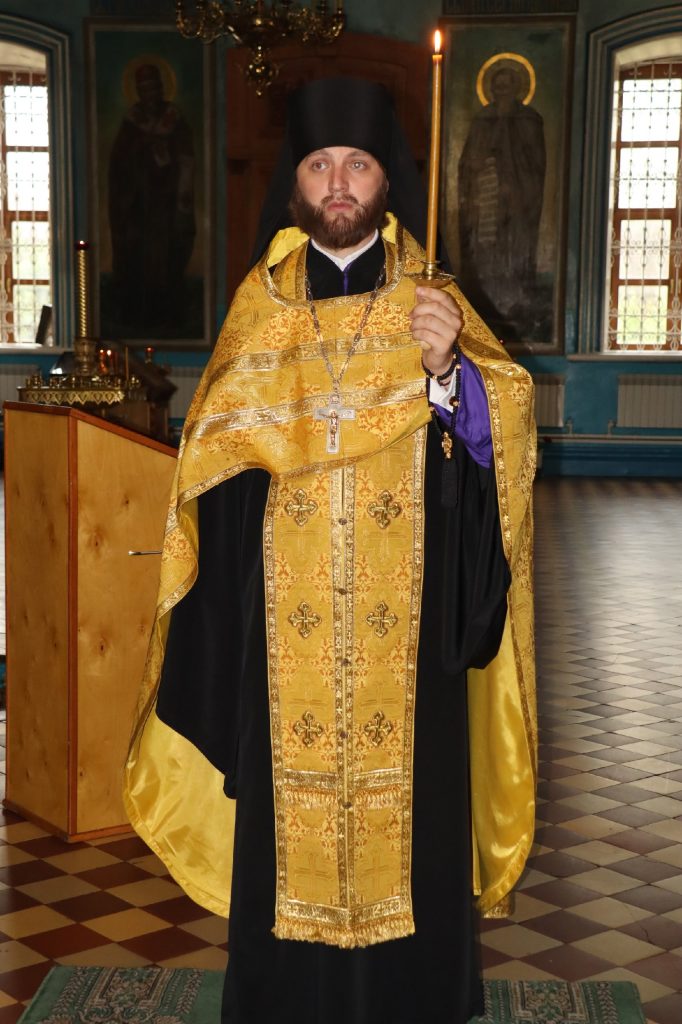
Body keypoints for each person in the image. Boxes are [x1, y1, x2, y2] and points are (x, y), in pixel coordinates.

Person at [124, 78, 536, 1024]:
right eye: (320, 165)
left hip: (411, 633)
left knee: (417, 820)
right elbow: (213, 463)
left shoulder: (433, 302)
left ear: (386, 180)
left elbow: (503, 438)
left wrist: (449, 377)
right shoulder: (260, 308)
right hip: (285, 638)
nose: (339, 183)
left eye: (357, 164)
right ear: (296, 182)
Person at [458, 62, 546, 342]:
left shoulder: (528, 119)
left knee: (512, 249)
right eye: (497, 86)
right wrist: (482, 167)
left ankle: (513, 308)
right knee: (485, 253)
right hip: (486, 200)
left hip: (517, 202)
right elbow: (467, 164)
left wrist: (511, 174)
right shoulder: (482, 119)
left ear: (518, 89)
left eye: (507, 86)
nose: (502, 91)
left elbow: (535, 165)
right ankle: (485, 309)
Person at [107, 62, 196, 334]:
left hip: (165, 206)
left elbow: (186, 156)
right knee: (135, 259)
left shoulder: (173, 118)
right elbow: (118, 161)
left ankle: (165, 315)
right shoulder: (132, 121)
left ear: (160, 87)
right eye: (143, 88)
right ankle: (135, 314)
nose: (149, 93)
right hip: (137, 206)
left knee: (165, 260)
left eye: (153, 87)